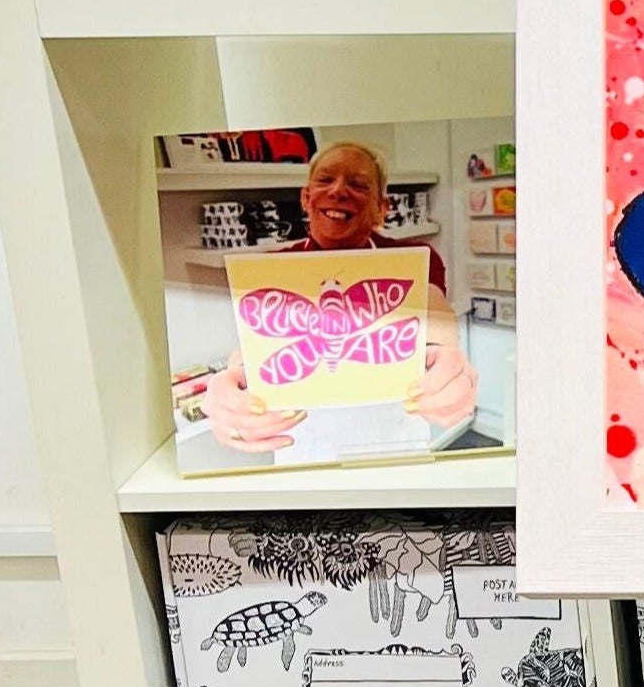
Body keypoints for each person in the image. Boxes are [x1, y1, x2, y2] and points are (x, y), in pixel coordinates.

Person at [198, 139, 480, 453]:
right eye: (324, 180)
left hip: (393, 435)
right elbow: (248, 352)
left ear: (381, 208)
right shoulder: (272, 267)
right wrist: (229, 387)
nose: (338, 191)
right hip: (303, 441)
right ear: (306, 198)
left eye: (358, 184)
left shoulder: (413, 260)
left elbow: (440, 330)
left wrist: (454, 369)